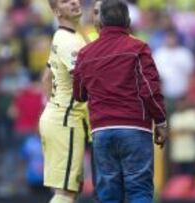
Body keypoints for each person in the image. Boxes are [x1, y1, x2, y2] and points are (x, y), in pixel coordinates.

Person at [73, 0, 168, 202]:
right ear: (128, 21)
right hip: (135, 128)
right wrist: (160, 121)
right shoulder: (138, 47)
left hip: (101, 132)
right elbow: (150, 90)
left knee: (108, 195)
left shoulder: (85, 53)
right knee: (139, 191)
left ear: (101, 21)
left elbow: (79, 93)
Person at [38, 0, 89, 202]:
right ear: (56, 11)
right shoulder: (69, 41)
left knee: (69, 190)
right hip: (65, 121)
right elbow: (84, 78)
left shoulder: (66, 36)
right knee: (66, 192)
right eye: (66, 1)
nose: (75, 2)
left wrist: (52, 106)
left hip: (60, 118)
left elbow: (46, 78)